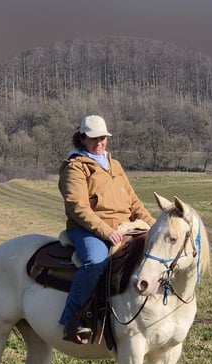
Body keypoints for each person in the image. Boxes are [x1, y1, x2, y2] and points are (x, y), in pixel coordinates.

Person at [58, 115, 156, 344]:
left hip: (124, 227)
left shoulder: (114, 165)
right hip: (87, 229)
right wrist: (104, 231)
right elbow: (77, 207)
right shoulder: (75, 167)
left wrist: (153, 226)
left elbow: (134, 203)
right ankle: (72, 319)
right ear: (82, 139)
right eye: (93, 138)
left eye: (102, 138)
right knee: (96, 260)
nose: (99, 143)